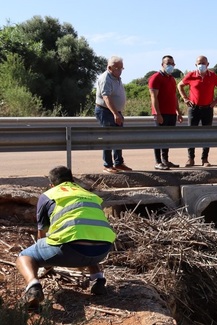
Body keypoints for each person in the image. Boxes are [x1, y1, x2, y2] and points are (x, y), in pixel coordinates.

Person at [16, 166, 116, 308]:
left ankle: (33, 287)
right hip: (102, 250)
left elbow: (42, 233)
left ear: (51, 185)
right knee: (87, 235)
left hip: (69, 249)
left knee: (24, 257)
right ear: (72, 180)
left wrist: (47, 263)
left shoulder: (49, 194)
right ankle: (98, 280)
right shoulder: (90, 195)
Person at [177, 55, 217, 167]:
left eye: (203, 63)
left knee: (207, 134)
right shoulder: (191, 75)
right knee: (191, 134)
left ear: (207, 64)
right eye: (199, 63)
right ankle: (190, 159)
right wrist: (185, 98)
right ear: (196, 64)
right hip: (194, 108)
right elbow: (180, 85)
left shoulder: (212, 76)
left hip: (207, 108)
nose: (201, 65)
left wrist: (216, 101)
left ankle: (205, 159)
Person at [95, 56, 132, 174]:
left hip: (115, 111)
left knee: (118, 137)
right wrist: (115, 113)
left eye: (122, 68)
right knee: (108, 138)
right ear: (110, 68)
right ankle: (107, 164)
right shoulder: (106, 79)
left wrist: (117, 112)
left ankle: (119, 163)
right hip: (106, 111)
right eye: (118, 68)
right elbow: (106, 98)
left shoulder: (116, 78)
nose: (120, 70)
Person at [149, 55, 183, 170]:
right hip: (161, 113)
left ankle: (165, 160)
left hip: (171, 113)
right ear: (162, 64)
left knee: (167, 138)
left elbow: (174, 96)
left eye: (172, 64)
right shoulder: (155, 77)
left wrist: (178, 111)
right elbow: (153, 97)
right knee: (158, 138)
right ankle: (158, 162)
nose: (170, 66)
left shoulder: (172, 79)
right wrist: (158, 114)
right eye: (168, 63)